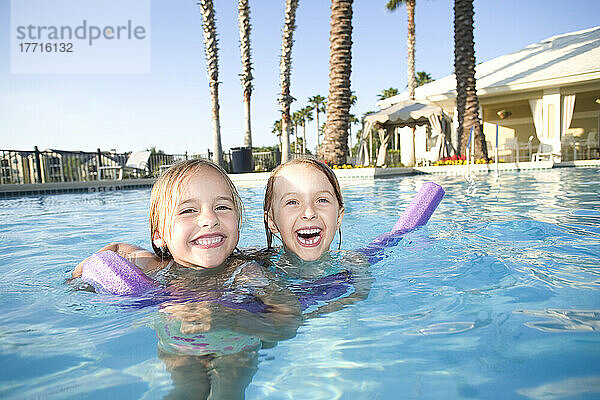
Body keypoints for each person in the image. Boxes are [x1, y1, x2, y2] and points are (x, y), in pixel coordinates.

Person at [72, 159, 301, 400]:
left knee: (228, 392)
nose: (209, 219)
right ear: (159, 236)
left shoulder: (246, 273)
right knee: (186, 392)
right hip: (178, 344)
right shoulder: (153, 266)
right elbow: (115, 250)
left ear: (238, 222)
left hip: (235, 347)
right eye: (188, 210)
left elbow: (288, 321)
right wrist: (79, 276)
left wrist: (231, 319)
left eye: (222, 207)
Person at [262, 157, 372, 316]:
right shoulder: (260, 270)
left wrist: (316, 313)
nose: (309, 213)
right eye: (292, 202)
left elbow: (359, 295)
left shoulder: (355, 263)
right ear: (272, 222)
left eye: (322, 200)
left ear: (339, 217)